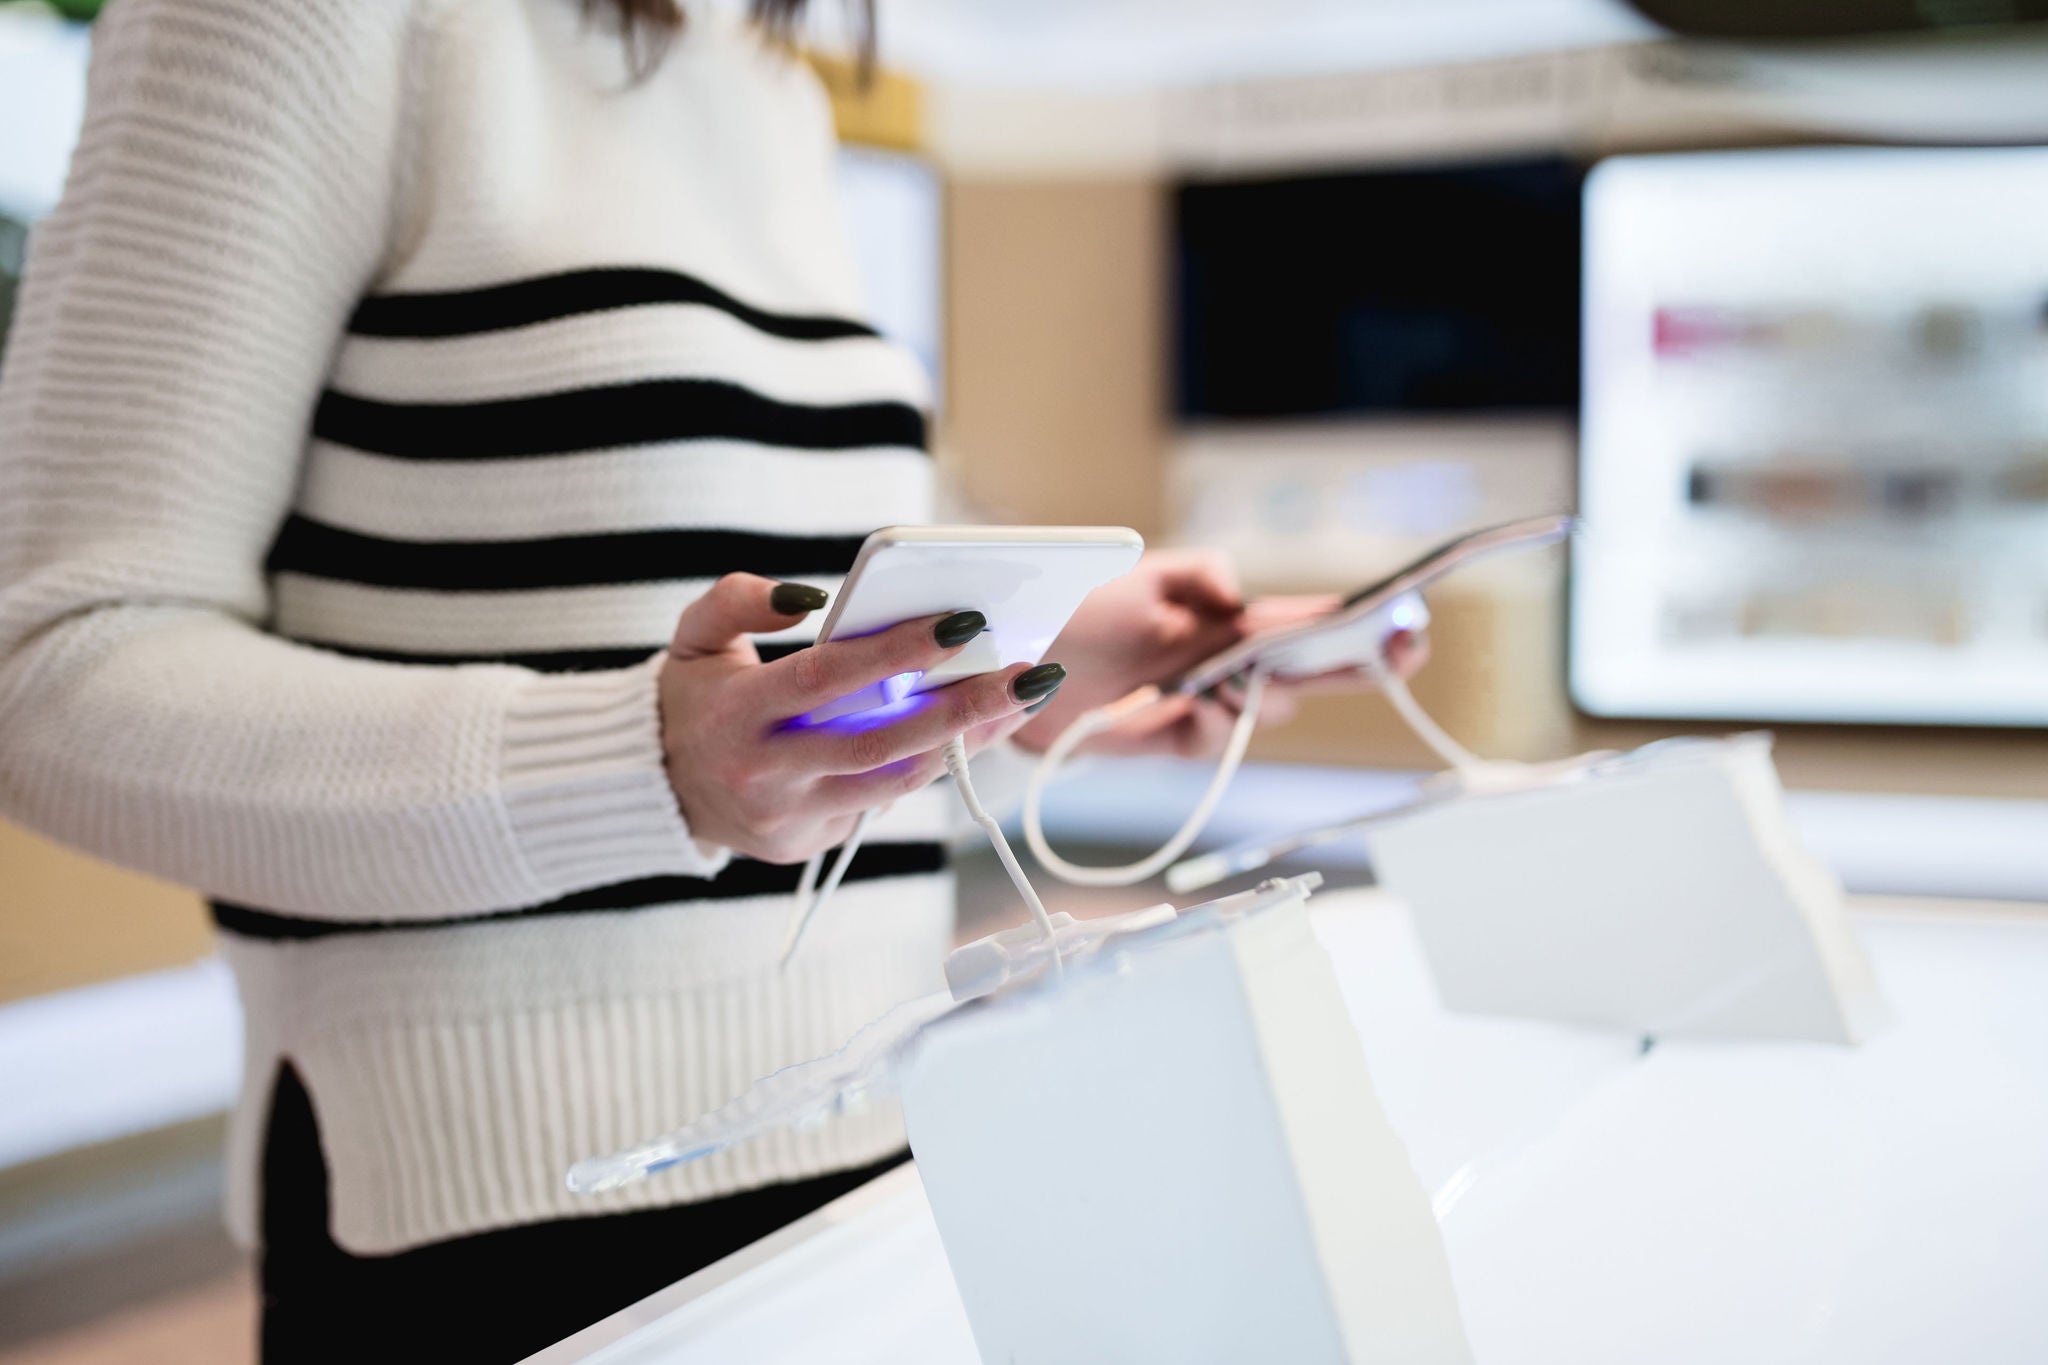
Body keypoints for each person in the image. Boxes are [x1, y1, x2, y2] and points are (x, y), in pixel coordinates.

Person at [0, 0, 1414, 1358]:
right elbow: (52, 673)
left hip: (879, 1139)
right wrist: (643, 766)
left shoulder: (765, 76)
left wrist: (1039, 663)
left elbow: (731, 594)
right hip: (498, 1220)